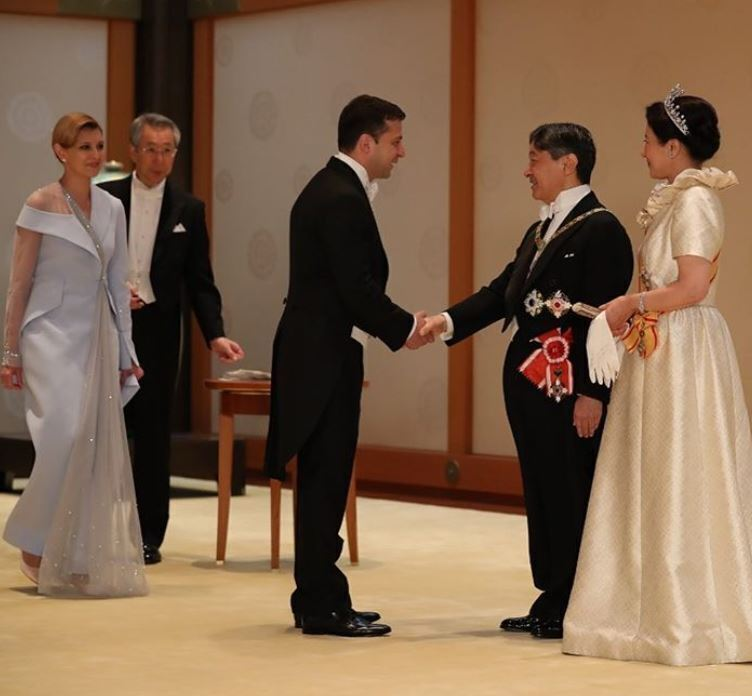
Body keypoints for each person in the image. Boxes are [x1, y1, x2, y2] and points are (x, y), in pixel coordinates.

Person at [421, 123, 633, 639]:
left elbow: (603, 321)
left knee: (570, 487)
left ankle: (575, 599)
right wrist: (444, 322)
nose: (526, 170)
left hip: (569, 388)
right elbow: (502, 293)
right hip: (531, 387)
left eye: (535, 159)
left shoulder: (602, 229)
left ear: (568, 163)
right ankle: (551, 593)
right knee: (542, 488)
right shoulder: (541, 230)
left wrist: (593, 393)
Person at [563, 88, 752, 666]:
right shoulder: (677, 200)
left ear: (674, 147)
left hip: (684, 347)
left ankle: (686, 615)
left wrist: (630, 304)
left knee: (679, 468)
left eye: (648, 142)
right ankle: (644, 609)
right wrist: (629, 311)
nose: (641, 151)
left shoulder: (694, 202)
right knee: (652, 469)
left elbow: (691, 287)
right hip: (663, 345)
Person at [264, 94, 430, 637]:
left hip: (321, 347)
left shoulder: (332, 188)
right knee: (325, 477)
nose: (401, 152)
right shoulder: (339, 197)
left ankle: (319, 595)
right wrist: (404, 328)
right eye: (395, 141)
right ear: (366, 142)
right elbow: (354, 288)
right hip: (323, 353)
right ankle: (321, 605)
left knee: (324, 477)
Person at [1, 112, 147, 597]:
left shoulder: (112, 208)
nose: (95, 155)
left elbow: (117, 283)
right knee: (61, 435)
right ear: (60, 151)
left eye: (99, 146)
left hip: (96, 337)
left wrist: (126, 351)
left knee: (89, 444)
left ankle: (72, 551)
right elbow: (19, 283)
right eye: (84, 147)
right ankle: (33, 539)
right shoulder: (39, 202)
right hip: (47, 333)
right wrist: (10, 352)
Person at [100, 113, 244, 564]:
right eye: (151, 149)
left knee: (154, 432)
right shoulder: (105, 198)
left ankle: (148, 535)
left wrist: (215, 334)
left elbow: (200, 280)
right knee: (100, 428)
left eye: (167, 151)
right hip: (105, 325)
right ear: (133, 151)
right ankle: (90, 531)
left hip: (159, 331)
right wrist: (112, 293)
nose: (159, 159)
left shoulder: (189, 209)